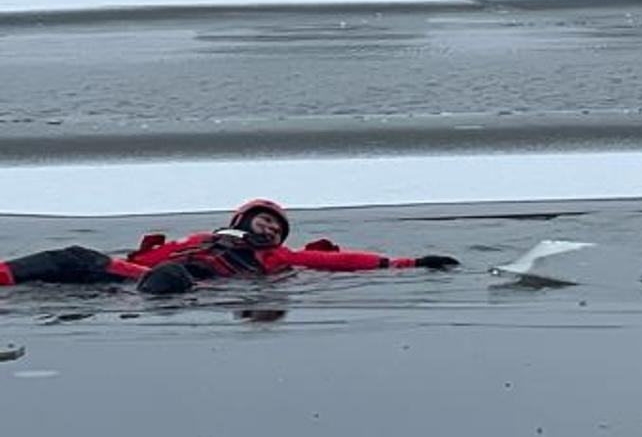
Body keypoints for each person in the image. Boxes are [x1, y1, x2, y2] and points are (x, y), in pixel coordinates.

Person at [0, 199, 460, 294]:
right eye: (265, 222)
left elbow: (338, 261)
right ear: (242, 221)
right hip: (130, 275)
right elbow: (143, 258)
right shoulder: (200, 239)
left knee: (170, 280)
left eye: (278, 228)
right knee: (73, 256)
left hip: (183, 284)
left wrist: (409, 261)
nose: (272, 231)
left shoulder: (278, 257)